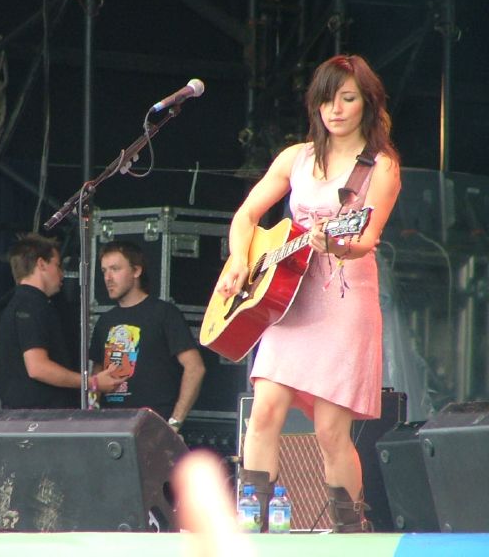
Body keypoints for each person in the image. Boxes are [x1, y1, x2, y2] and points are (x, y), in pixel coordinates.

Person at [217, 54, 401, 532]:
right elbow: (246, 216)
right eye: (326, 99)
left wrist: (336, 242)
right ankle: (251, 526)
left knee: (329, 431)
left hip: (344, 301)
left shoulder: (379, 167)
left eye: (347, 98)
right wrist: (240, 260)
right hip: (288, 300)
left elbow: (366, 239)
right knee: (265, 411)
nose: (335, 109)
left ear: (367, 103)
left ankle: (350, 531)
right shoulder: (294, 157)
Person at [0, 233, 125, 409]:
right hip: (38, 420)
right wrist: (92, 382)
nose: (61, 274)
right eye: (57, 265)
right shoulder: (31, 304)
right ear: (41, 264)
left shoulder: (19, 304)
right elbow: (38, 367)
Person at [89, 240, 206, 430]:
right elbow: (97, 376)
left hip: (154, 427)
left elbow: (195, 368)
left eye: (115, 269)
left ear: (136, 271)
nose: (108, 277)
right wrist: (93, 417)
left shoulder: (164, 313)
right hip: (111, 427)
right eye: (104, 271)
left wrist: (174, 423)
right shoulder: (104, 322)